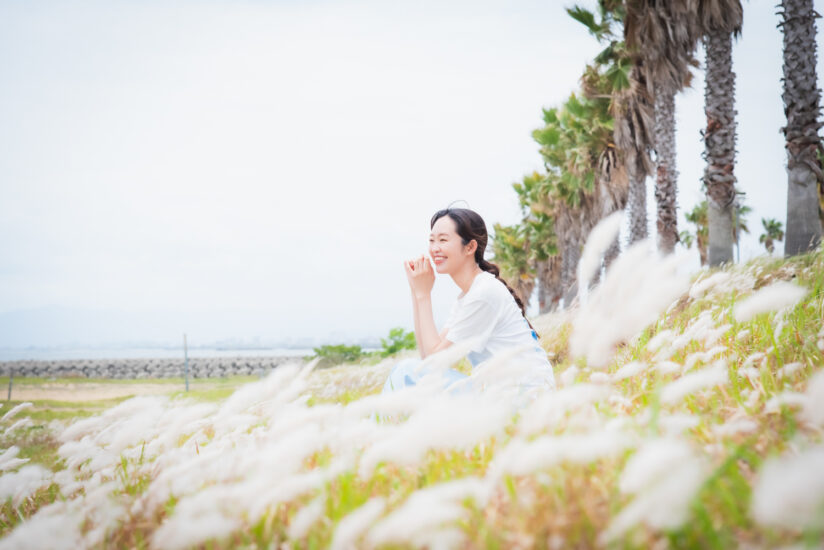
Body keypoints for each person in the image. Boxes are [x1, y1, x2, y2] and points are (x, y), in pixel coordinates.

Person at [382, 207, 555, 395]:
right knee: (410, 371)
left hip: (523, 396)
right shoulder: (468, 296)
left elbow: (434, 363)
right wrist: (417, 292)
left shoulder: (484, 293)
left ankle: (381, 424)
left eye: (443, 240)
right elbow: (427, 357)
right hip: (502, 393)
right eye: (431, 240)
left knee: (405, 371)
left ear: (470, 247)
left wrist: (424, 295)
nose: (434, 248)